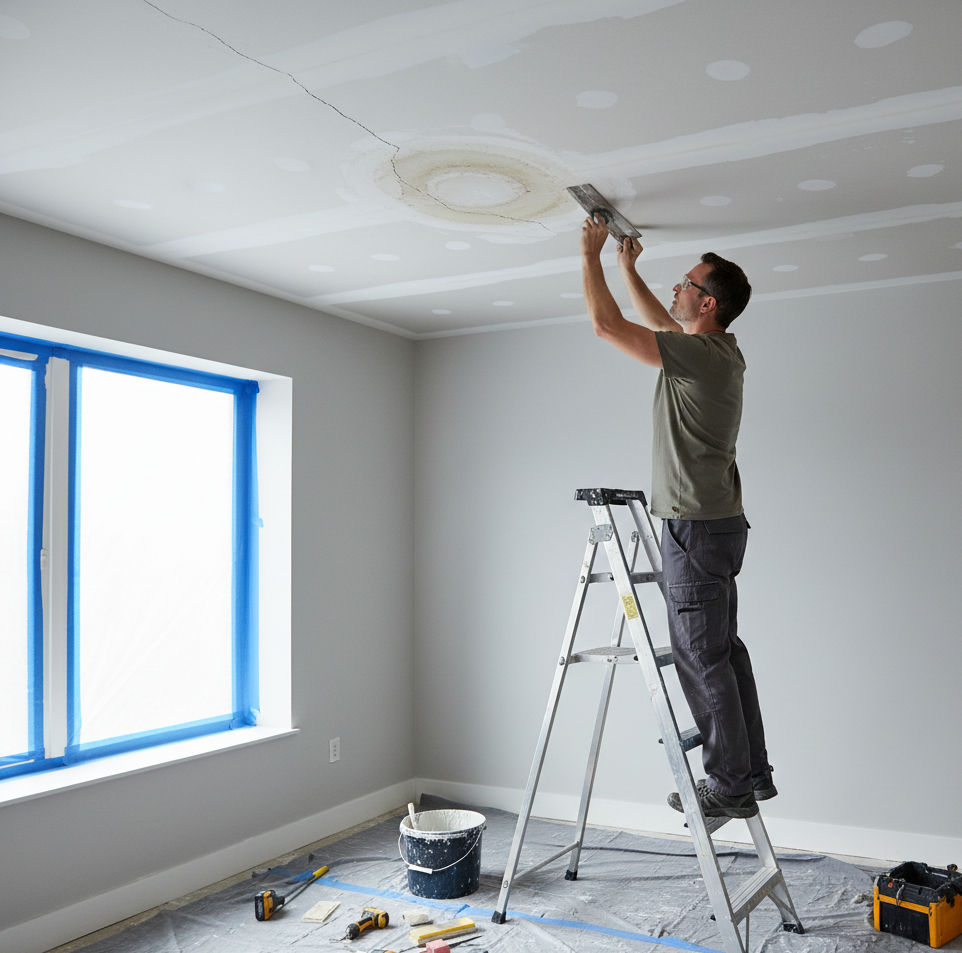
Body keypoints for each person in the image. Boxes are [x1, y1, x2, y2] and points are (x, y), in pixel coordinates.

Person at [579, 213, 774, 819]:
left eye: (686, 283)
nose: (676, 288)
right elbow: (658, 322)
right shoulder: (714, 352)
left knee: (700, 658)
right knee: (725, 653)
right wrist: (625, 267)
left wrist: (588, 255)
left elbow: (606, 326)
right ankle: (751, 773)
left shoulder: (702, 357)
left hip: (695, 526)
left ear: (708, 302)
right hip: (716, 523)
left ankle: (729, 787)